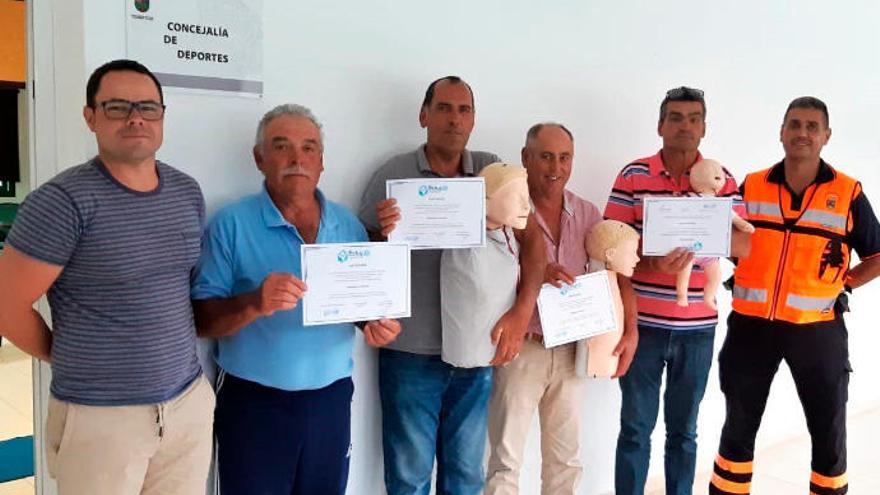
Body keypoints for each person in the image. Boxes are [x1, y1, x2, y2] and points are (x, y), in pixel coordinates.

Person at [0, 59, 213, 495]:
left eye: (148, 107)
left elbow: (177, 290)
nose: (136, 117)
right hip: (101, 419)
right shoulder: (62, 202)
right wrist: (70, 358)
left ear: (162, 116)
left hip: (185, 405)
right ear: (91, 117)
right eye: (117, 107)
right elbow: (6, 304)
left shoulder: (186, 192)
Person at [191, 104, 401, 495]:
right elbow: (202, 319)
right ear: (259, 158)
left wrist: (374, 323)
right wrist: (255, 302)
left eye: (309, 149)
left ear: (321, 162)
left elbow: (355, 303)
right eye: (281, 147)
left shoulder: (347, 225)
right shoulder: (231, 224)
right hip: (253, 403)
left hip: (331, 401)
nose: (296, 159)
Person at [358, 76, 546, 495]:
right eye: (444, 108)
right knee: (408, 478)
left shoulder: (493, 171)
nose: (454, 119)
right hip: (408, 352)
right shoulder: (394, 174)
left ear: (474, 120)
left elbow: (535, 243)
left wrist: (521, 312)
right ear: (424, 115)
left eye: (464, 110)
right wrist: (383, 235)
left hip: (477, 351)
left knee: (465, 477)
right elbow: (362, 259)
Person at [709, 97, 880, 495]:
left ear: (826, 136)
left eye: (812, 126)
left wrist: (845, 285)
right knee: (738, 427)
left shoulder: (847, 192)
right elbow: (723, 239)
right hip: (751, 327)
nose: (802, 133)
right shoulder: (750, 186)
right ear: (782, 131)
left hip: (817, 330)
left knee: (827, 431)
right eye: (795, 124)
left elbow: (876, 255)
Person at [604, 86, 749, 495]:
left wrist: (709, 236)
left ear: (704, 127)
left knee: (684, 433)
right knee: (634, 429)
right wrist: (651, 262)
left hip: (698, 328)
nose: (684, 125)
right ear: (660, 125)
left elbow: (743, 245)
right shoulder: (633, 175)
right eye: (675, 117)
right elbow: (609, 245)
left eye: (693, 118)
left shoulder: (722, 178)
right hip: (643, 327)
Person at [484, 123, 635, 495]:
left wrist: (630, 329)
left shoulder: (587, 213)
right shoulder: (506, 209)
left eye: (564, 157)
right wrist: (533, 273)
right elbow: (485, 273)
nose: (556, 167)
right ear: (526, 158)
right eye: (546, 156)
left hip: (572, 352)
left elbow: (616, 272)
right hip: (522, 348)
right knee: (505, 461)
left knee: (565, 462)